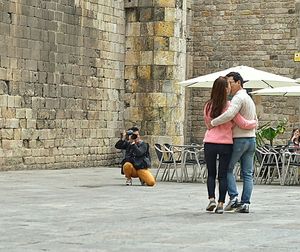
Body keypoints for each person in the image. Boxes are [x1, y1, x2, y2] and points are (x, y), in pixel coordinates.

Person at [204, 76, 257, 214]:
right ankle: (227, 203)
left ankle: (214, 199)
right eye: (228, 85)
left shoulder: (208, 105)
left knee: (213, 173)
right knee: (241, 174)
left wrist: (213, 123)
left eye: (231, 83)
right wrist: (255, 123)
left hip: (212, 142)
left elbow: (208, 123)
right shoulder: (233, 103)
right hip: (229, 142)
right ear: (224, 89)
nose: (230, 87)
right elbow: (242, 123)